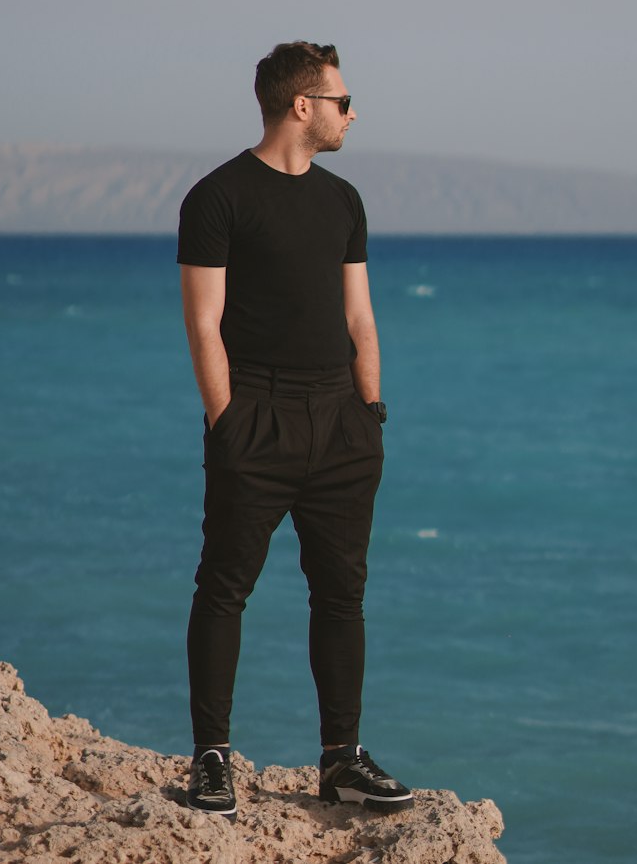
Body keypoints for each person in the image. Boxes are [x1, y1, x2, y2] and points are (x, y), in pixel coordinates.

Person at [176, 41, 412, 823]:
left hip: (342, 420)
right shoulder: (217, 198)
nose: (352, 113)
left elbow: (359, 316)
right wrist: (229, 423)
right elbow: (204, 325)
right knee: (225, 587)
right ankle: (212, 759)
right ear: (301, 106)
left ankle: (341, 762)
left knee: (343, 596)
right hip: (259, 416)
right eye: (343, 100)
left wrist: (370, 413)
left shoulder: (343, 201)